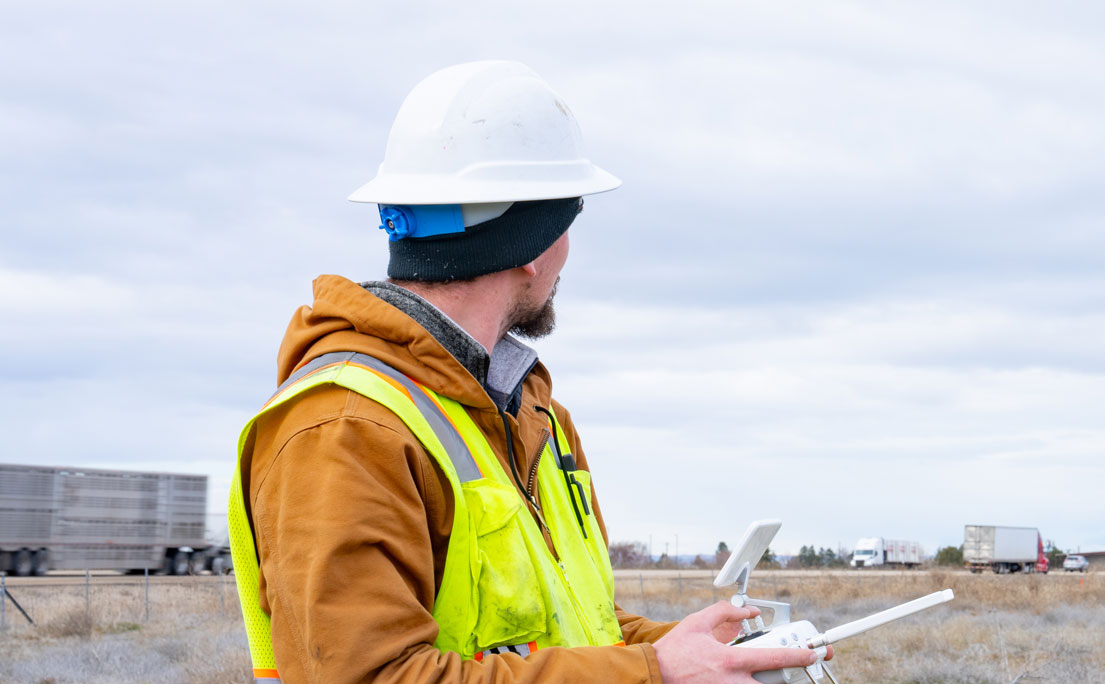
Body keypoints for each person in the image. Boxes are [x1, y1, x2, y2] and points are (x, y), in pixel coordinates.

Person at [228, 61, 821, 683]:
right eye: (568, 223)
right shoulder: (344, 429)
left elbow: (575, 627)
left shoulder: (533, 414)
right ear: (533, 246)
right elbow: (369, 675)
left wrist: (687, 648)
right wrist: (651, 671)